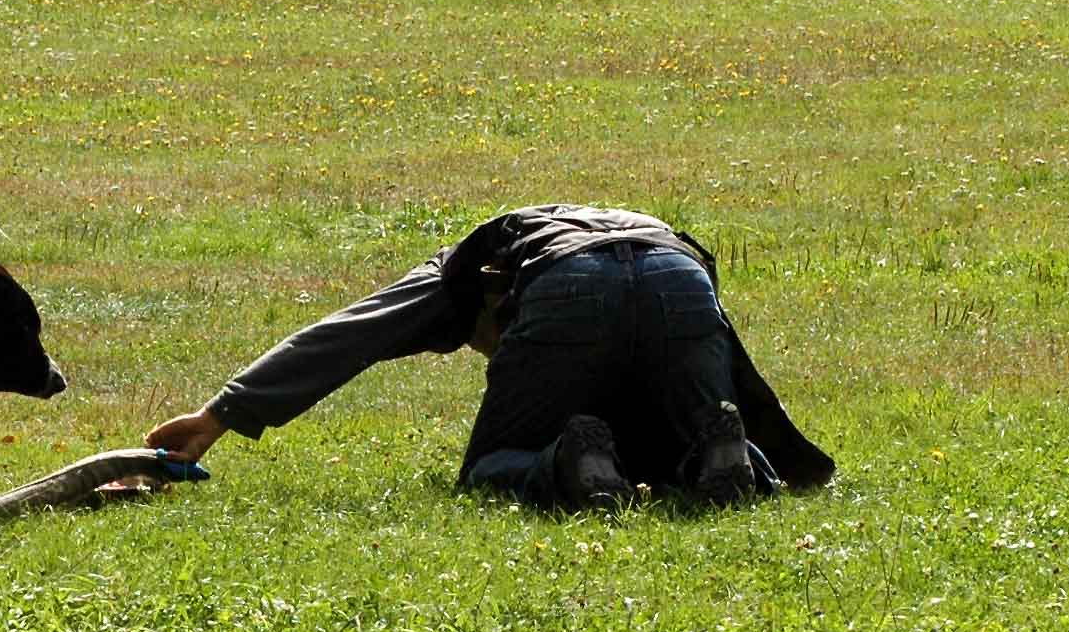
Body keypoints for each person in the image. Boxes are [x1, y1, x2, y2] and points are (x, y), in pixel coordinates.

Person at [146, 204, 833, 508]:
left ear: (483, 296)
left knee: (490, 467)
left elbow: (353, 332)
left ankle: (561, 464)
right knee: (677, 436)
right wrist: (792, 452)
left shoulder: (465, 270)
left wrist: (221, 415)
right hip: (682, 276)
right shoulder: (639, 235)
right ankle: (738, 461)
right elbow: (724, 354)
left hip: (566, 285)